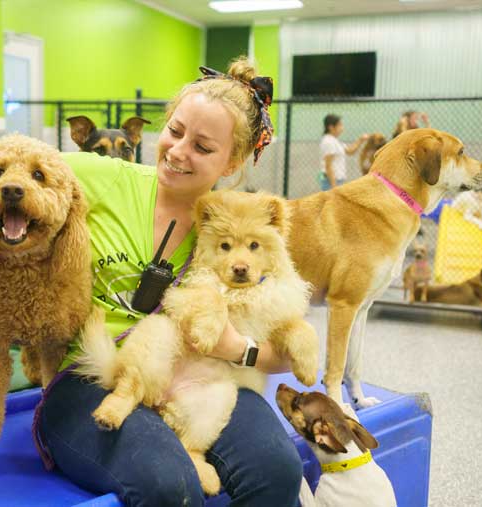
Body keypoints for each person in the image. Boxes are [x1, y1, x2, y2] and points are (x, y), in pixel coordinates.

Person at [36, 58, 303, 507]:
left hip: (202, 377)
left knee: (277, 470)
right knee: (169, 485)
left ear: (232, 160)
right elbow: (11, 167)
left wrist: (235, 348)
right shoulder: (102, 176)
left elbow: (284, 351)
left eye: (202, 146)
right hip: (92, 374)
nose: (178, 151)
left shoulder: (239, 229)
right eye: (175, 131)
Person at [319, 114, 367, 191]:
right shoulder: (328, 142)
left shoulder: (335, 141)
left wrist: (361, 140)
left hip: (337, 181)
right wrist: (334, 187)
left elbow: (350, 151)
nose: (342, 128)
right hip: (332, 182)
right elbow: (328, 165)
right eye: (339, 125)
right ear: (331, 127)